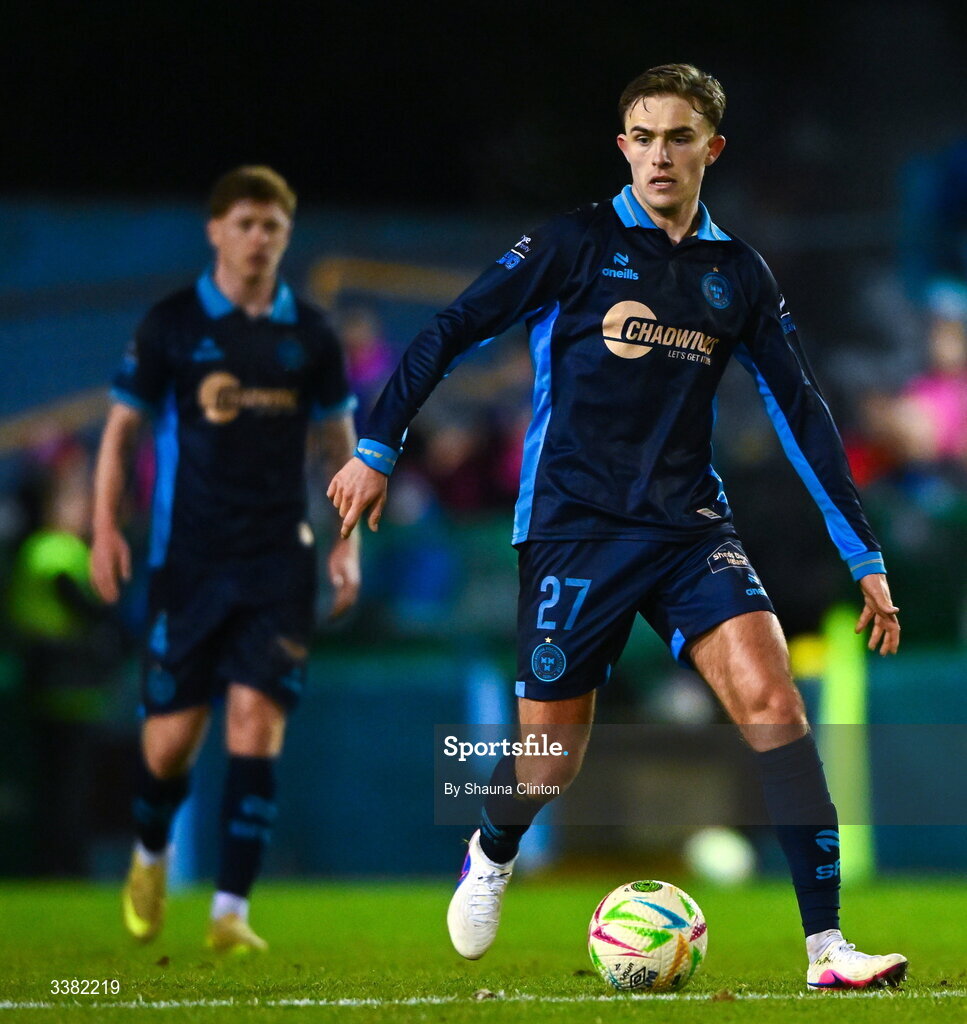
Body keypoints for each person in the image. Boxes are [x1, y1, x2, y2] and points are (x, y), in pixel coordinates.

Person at [328, 65, 907, 990]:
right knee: (551, 754)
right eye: (642, 136)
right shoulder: (575, 243)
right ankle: (492, 847)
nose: (658, 154)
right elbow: (447, 330)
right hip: (573, 528)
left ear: (711, 149)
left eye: (679, 137)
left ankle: (826, 950)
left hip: (687, 527)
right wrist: (376, 448)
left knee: (775, 704)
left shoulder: (736, 274)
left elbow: (802, 412)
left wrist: (862, 555)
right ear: (622, 147)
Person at [91, 166, 359, 953]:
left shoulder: (310, 334)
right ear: (215, 230)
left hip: (279, 561)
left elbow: (338, 444)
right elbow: (120, 434)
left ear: (287, 234)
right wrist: (106, 529)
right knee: (172, 743)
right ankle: (149, 852)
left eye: (272, 226)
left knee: (255, 723)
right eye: (244, 223)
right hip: (191, 561)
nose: (258, 239)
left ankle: (229, 912)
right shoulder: (173, 324)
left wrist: (345, 541)